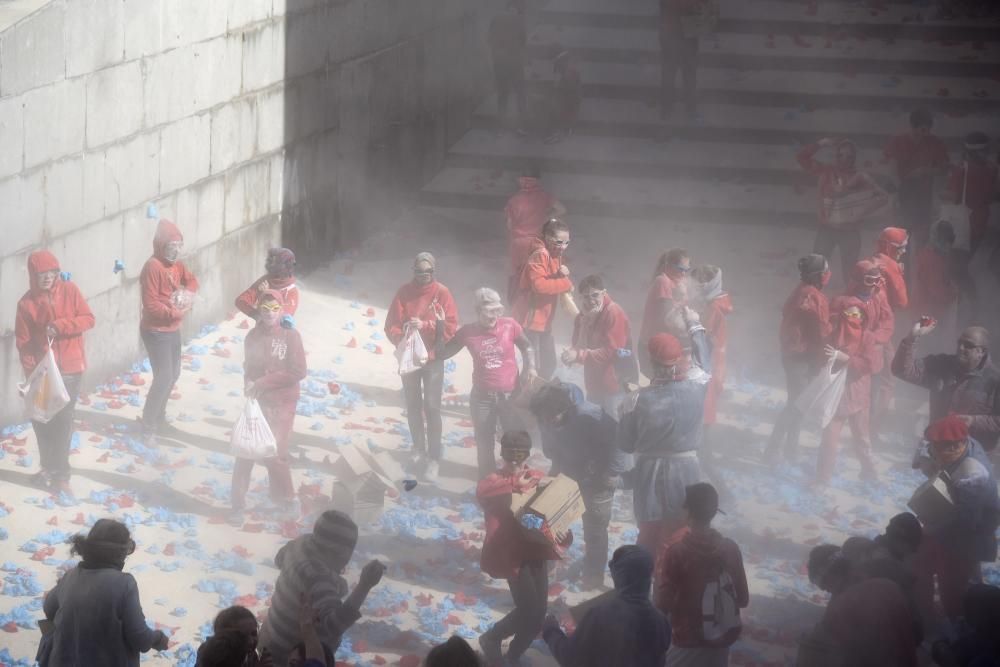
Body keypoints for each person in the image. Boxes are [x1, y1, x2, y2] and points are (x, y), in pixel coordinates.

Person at [618, 308, 711, 556]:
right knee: (683, 530)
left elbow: (626, 445)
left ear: (650, 362)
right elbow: (704, 360)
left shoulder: (636, 399)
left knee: (650, 533)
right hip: (687, 471)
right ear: (680, 360)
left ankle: (648, 582)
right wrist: (694, 324)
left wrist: (624, 409)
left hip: (650, 474)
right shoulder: (697, 385)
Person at [477, 431, 572, 667]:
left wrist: (563, 533)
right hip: (511, 554)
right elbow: (483, 492)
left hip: (535, 550)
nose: (515, 465)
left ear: (527, 457)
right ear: (503, 456)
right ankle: (491, 638)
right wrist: (512, 483)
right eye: (511, 459)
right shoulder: (494, 481)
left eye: (520, 459)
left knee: (538, 614)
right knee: (528, 608)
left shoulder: (536, 478)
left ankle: (513, 656)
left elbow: (552, 512)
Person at [530, 382, 626, 588]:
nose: (546, 421)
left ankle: (593, 576)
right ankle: (548, 567)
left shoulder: (589, 415)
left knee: (595, 529)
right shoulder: (543, 415)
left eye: (551, 416)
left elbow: (619, 439)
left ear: (565, 409)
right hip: (565, 470)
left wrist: (612, 471)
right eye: (543, 417)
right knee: (549, 519)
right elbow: (549, 445)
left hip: (597, 477)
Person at [14, 250, 95, 495]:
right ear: (33, 276)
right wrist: (32, 374)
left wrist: (60, 326)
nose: (47, 278)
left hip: (70, 369)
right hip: (44, 373)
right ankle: (48, 467)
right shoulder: (26, 304)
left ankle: (62, 475)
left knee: (62, 422)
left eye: (51, 273)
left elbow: (88, 319)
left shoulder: (70, 291)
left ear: (57, 273)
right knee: (42, 422)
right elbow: (24, 342)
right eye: (41, 274)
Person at [258, 511, 385, 665]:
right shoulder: (318, 577)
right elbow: (333, 625)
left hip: (269, 639)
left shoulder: (300, 543)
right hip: (291, 656)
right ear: (340, 552)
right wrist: (364, 585)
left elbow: (279, 559)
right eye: (347, 554)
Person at [37, 519, 169, 666]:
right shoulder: (124, 584)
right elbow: (140, 639)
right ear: (120, 554)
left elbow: (49, 609)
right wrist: (158, 638)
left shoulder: (70, 576)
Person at [439, 288, 537, 477]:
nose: (494, 317)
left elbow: (527, 346)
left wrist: (530, 368)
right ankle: (488, 481)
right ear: (478, 311)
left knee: (514, 440)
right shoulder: (467, 332)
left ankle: (515, 479)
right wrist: (438, 325)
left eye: (497, 312)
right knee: (484, 441)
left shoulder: (510, 325)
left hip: (510, 395)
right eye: (489, 313)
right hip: (482, 398)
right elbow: (443, 353)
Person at [910, 416, 999, 623]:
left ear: (956, 446)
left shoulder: (973, 474)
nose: (935, 453)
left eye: (939, 449)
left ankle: (959, 620)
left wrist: (932, 528)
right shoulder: (959, 443)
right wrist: (926, 461)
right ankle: (924, 610)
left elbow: (965, 520)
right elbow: (925, 447)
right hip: (947, 518)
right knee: (920, 561)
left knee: (953, 580)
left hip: (969, 531)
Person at [231, 290, 307, 521]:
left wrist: (263, 382)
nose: (270, 314)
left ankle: (287, 499)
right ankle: (237, 504)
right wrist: (249, 384)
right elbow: (249, 367)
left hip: (283, 402)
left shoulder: (290, 336)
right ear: (259, 310)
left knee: (274, 453)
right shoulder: (252, 337)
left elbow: (298, 371)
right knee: (245, 451)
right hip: (259, 401)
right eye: (265, 309)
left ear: (282, 309)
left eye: (275, 309)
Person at [384, 252, 460, 482]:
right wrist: (404, 337)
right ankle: (418, 448)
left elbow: (451, 326)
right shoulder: (404, 292)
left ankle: (434, 457)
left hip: (434, 357)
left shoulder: (442, 293)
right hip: (411, 358)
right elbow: (391, 325)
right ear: (413, 271)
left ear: (434, 271)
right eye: (419, 272)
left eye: (428, 272)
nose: (424, 276)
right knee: (413, 404)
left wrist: (426, 325)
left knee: (432, 406)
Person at [656, 483, 749, 667]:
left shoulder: (677, 552)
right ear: (714, 512)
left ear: (687, 512)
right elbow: (743, 599)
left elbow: (662, 606)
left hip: (686, 642)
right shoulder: (731, 549)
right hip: (721, 644)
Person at [542, 545, 671, 667]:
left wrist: (551, 630)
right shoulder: (661, 621)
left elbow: (570, 658)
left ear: (618, 577)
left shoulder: (600, 615)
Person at [803, 545, 919, 667]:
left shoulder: (840, 609)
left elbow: (836, 656)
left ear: (830, 576)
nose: (825, 590)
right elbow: (918, 632)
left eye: (823, 584)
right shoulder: (889, 586)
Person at [764, 254, 831, 463]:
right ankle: (772, 450)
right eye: (826, 270)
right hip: (801, 356)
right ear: (820, 275)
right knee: (797, 404)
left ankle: (790, 449)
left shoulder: (802, 290)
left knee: (798, 403)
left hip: (794, 354)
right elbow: (821, 329)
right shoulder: (812, 297)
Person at [892, 322, 1000, 452]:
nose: (961, 348)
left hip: (974, 455)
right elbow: (901, 371)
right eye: (959, 343)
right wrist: (912, 338)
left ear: (981, 352)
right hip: (939, 448)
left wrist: (973, 421)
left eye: (968, 345)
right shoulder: (942, 365)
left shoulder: (995, 380)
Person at [139, 219, 200, 444]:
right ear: (160, 246)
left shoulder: (177, 265)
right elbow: (151, 304)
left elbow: (192, 280)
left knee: (173, 374)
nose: (174, 252)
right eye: (170, 247)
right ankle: (148, 424)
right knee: (163, 376)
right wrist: (175, 312)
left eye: (178, 246)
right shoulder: (153, 267)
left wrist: (188, 294)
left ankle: (159, 419)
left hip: (172, 328)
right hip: (156, 330)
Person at [798, 138, 890, 281]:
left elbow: (884, 197)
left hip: (849, 231)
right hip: (827, 228)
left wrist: (863, 211)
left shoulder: (860, 176)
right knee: (815, 270)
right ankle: (812, 299)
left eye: (849, 156)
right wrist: (821, 144)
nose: (844, 159)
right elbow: (802, 158)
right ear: (836, 156)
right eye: (841, 155)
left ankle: (848, 301)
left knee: (850, 274)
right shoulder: (827, 171)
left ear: (854, 158)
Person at [814, 296, 882, 485]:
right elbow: (820, 359)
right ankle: (822, 479)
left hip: (859, 397)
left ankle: (870, 473)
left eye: (858, 314)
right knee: (829, 440)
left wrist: (846, 358)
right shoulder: (833, 336)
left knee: (862, 439)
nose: (855, 317)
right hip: (836, 397)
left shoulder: (867, 337)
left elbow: (870, 365)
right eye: (850, 314)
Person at [562, 275, 637, 416]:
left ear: (604, 293)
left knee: (614, 428)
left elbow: (611, 352)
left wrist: (578, 355)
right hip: (593, 383)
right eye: (585, 297)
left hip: (616, 383)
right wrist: (569, 354)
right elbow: (576, 345)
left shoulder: (614, 312)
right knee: (595, 425)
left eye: (595, 295)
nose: (590, 301)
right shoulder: (582, 316)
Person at [511, 217, 573, 380]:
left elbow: (551, 279)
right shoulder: (540, 254)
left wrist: (561, 275)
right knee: (533, 368)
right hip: (529, 322)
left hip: (543, 322)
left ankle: (534, 399)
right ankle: (522, 401)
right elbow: (540, 286)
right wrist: (565, 282)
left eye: (567, 243)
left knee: (548, 365)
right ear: (546, 237)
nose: (563, 247)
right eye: (559, 242)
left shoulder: (554, 254)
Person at [882, 108, 951, 251]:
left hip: (924, 194)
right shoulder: (898, 141)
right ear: (912, 127)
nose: (924, 134)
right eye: (921, 130)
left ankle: (919, 264)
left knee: (922, 234)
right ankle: (901, 266)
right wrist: (897, 193)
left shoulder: (934, 142)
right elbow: (891, 169)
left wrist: (926, 171)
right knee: (901, 235)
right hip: (902, 190)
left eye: (927, 130)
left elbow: (944, 168)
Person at [504, 166, 566, 299]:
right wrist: (546, 216)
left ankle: (516, 300)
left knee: (518, 273)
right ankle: (535, 300)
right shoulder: (544, 196)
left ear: (520, 181)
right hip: (537, 242)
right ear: (537, 181)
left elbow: (509, 225)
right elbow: (562, 209)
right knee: (538, 272)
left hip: (518, 242)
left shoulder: (514, 200)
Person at [691, 265, 732, 465]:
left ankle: (707, 466)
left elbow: (701, 336)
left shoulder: (713, 308)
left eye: (700, 282)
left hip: (708, 366)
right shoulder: (714, 302)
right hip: (713, 364)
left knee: (702, 417)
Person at [638, 248, 691, 379]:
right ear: (668, 266)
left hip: (660, 345)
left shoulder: (676, 283)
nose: (684, 274)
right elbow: (668, 319)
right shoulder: (662, 281)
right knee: (660, 386)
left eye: (686, 270)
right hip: (652, 347)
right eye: (680, 269)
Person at [947, 131, 998, 255]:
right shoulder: (991, 171)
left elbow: (954, 198)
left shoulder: (960, 170)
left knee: (958, 260)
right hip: (980, 222)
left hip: (961, 224)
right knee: (967, 259)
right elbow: (993, 195)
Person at [659, 0, 704, 121]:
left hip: (681, 27)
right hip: (674, 27)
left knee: (683, 71)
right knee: (677, 71)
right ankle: (678, 109)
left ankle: (675, 108)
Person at [488, 0, 527, 132]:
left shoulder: (496, 18)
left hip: (499, 63)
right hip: (515, 62)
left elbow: (489, 39)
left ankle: (500, 126)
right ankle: (521, 126)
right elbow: (523, 40)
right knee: (520, 93)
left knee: (503, 95)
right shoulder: (518, 20)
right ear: (515, 7)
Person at [235, 248, 300, 320]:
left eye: (276, 262)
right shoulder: (265, 280)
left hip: (279, 330)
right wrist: (256, 315)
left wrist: (266, 294)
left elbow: (282, 319)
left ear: (286, 266)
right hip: (260, 329)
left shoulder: (291, 290)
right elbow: (240, 301)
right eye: (270, 261)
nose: (271, 265)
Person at [545, 51, 582, 144]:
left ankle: (556, 134)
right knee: (564, 110)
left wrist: (554, 92)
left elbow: (557, 83)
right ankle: (564, 130)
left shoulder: (559, 63)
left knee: (557, 110)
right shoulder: (568, 58)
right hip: (573, 92)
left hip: (569, 93)